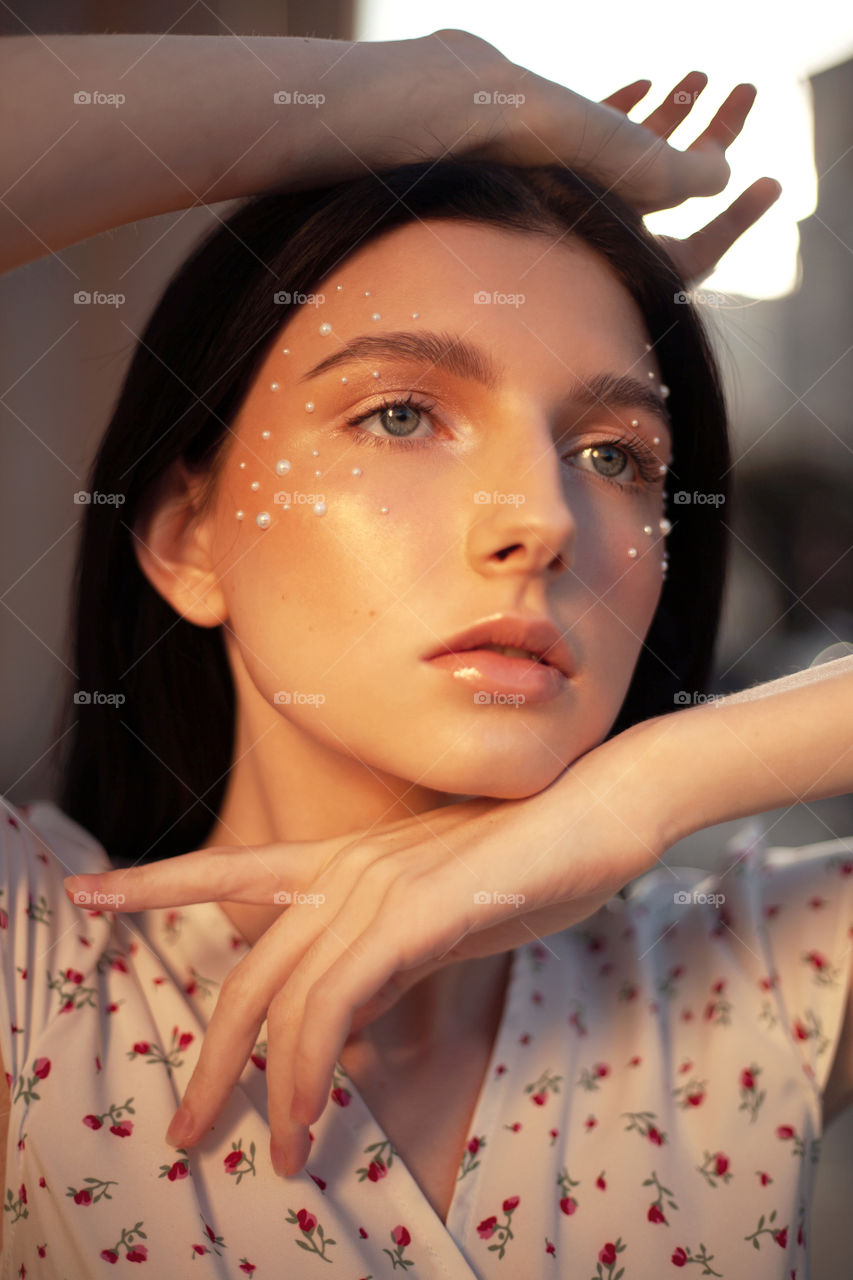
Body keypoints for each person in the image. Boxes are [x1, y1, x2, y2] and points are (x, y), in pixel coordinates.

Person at [1, 28, 851, 1280]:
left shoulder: (748, 976)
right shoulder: (38, 976)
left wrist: (653, 785)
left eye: (615, 453)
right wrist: (426, 93)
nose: (545, 516)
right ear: (188, 538)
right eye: (402, 412)